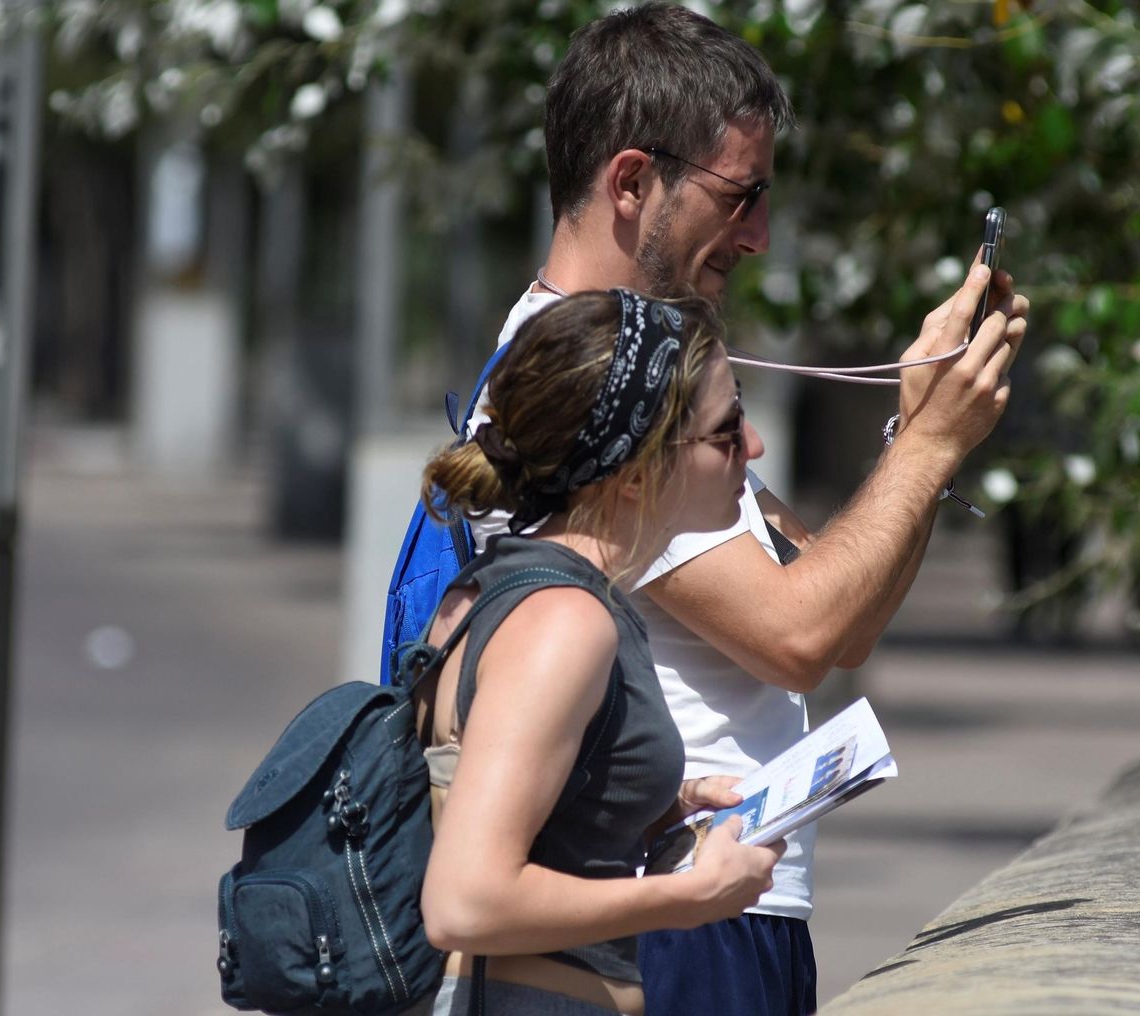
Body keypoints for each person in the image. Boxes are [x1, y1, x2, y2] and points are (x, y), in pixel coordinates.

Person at [416, 5, 1030, 1012]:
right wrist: (926, 447)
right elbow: (802, 632)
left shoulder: (661, 375)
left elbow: (842, 613)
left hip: (727, 901)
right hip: (663, 917)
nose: (758, 236)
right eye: (740, 197)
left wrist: (914, 437)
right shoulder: (589, 385)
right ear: (630, 181)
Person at [415, 288, 787, 1015]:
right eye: (726, 428)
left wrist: (649, 798)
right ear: (638, 470)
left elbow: (494, 792)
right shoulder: (566, 623)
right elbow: (463, 902)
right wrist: (688, 896)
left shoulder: (507, 589)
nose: (754, 446)